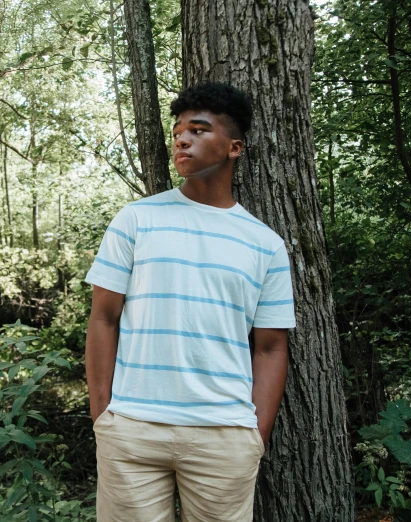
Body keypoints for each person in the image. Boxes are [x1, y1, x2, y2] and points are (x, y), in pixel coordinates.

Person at [84, 82, 296, 521]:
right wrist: (103, 416)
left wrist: (255, 434)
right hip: (132, 432)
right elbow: (103, 319)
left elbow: (271, 346)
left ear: (234, 147)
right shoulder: (136, 219)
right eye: (179, 130)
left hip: (225, 437)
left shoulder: (266, 244)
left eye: (198, 130)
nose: (182, 138)